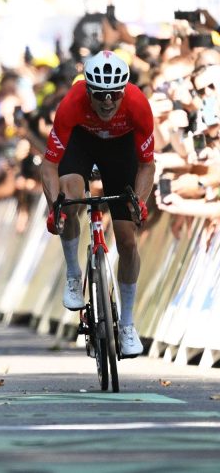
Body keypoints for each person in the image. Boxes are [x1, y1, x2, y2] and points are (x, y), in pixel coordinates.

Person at [41, 51, 155, 358]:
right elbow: (49, 165)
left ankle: (128, 325)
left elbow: (147, 166)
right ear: (88, 91)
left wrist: (139, 203)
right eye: (100, 95)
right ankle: (74, 275)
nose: (107, 102)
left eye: (114, 94)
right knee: (70, 195)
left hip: (121, 150)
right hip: (82, 142)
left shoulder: (138, 104)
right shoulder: (71, 104)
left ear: (124, 91)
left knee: (128, 239)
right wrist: (55, 209)